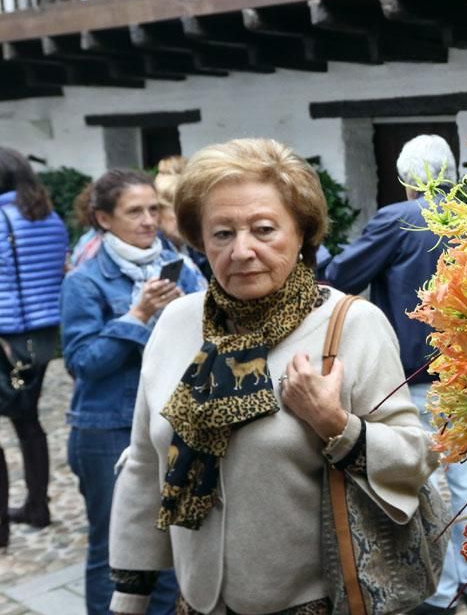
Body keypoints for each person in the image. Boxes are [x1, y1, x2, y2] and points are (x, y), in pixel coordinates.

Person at [108, 137, 437, 615]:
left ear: (302, 232)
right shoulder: (178, 322)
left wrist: (336, 425)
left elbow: (415, 457)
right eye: (222, 233)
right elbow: (143, 464)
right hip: (198, 602)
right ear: (201, 240)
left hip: (310, 601)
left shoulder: (353, 326)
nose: (242, 250)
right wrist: (129, 596)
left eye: (264, 230)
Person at [324, 134, 467, 614]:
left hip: (416, 369)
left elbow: (340, 277)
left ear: (404, 180)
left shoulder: (398, 219)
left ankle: (439, 593)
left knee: (419, 477)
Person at [59, 169, 205, 614]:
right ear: (103, 219)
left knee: (165, 549)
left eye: (153, 209)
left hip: (172, 424)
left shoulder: (180, 264)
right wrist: (137, 315)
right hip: (107, 430)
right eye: (134, 211)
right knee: (115, 551)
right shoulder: (85, 281)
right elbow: (83, 363)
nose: (147, 220)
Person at [0, 148, 69, 546]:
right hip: (40, 337)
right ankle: (37, 506)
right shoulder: (48, 217)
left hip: (7, 338)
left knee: (19, 422)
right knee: (27, 421)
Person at [153, 156, 209, 280]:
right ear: (158, 211)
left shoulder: (195, 246)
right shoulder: (153, 253)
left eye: (191, 210)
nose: (187, 217)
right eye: (176, 209)